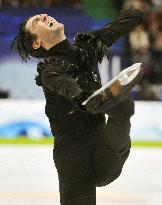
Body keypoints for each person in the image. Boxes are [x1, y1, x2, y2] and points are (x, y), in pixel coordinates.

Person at [12, 10, 143, 205]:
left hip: (104, 151)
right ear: (36, 43)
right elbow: (66, 86)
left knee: (123, 108)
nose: (44, 16)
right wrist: (84, 98)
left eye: (42, 15)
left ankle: (116, 105)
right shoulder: (50, 72)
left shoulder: (86, 47)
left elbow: (115, 28)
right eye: (36, 21)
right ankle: (109, 104)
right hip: (73, 157)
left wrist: (141, 12)